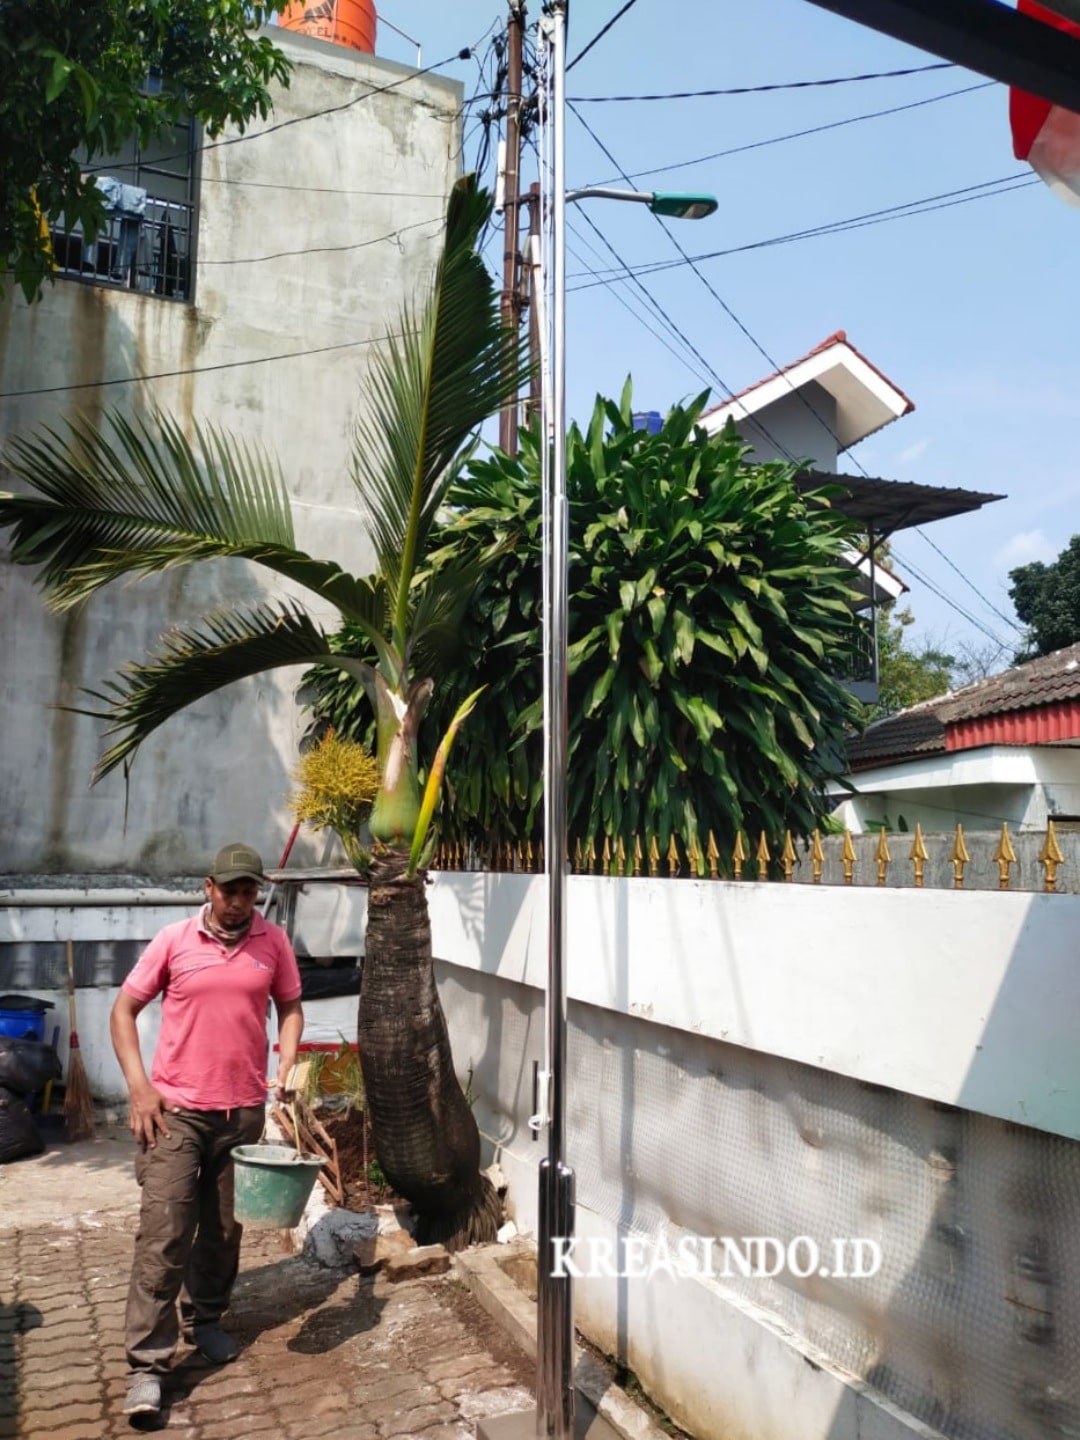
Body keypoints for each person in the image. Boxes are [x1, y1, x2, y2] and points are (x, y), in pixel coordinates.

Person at [110, 842, 304, 1418]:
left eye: (250, 891)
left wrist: (286, 1060)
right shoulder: (174, 940)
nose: (242, 902)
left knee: (223, 1232)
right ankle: (147, 1365)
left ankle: (208, 1319)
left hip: (241, 1112)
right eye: (232, 890)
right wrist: (140, 1088)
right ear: (209, 887)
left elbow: (290, 1006)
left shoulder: (273, 942)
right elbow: (123, 1011)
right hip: (176, 1114)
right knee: (165, 1234)